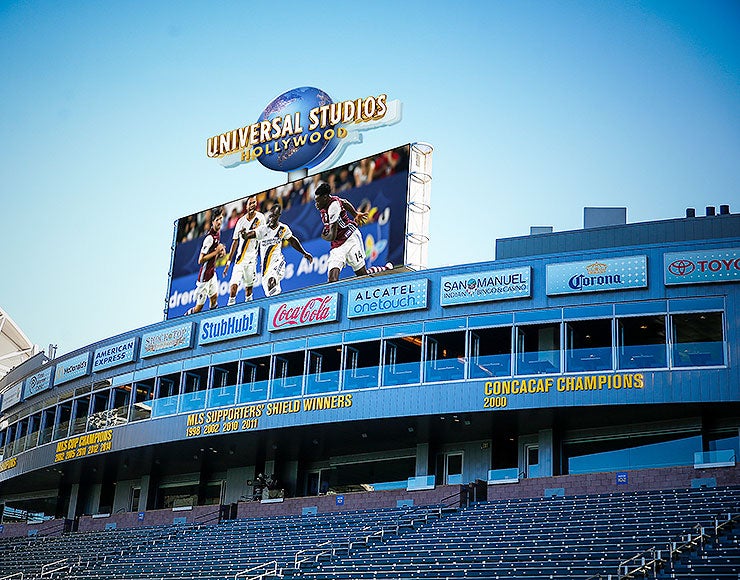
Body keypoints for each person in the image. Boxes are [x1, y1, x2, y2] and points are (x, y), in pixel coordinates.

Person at [314, 182, 392, 282]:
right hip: (338, 245)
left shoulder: (333, 207)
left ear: (325, 198)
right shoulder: (328, 202)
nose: (316, 204)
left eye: (318, 201)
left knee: (362, 276)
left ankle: (385, 269)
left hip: (350, 238)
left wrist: (324, 236)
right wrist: (355, 214)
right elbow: (344, 202)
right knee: (332, 279)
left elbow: (332, 236)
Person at [243, 203, 313, 297]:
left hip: (278, 262)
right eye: (270, 215)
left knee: (271, 282)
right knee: (271, 292)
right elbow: (248, 235)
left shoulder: (283, 229)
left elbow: (292, 240)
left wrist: (304, 253)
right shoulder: (262, 230)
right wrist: (244, 233)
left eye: (274, 216)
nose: (271, 218)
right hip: (265, 269)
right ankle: (279, 303)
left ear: (279, 216)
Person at [223, 195, 264, 305]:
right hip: (240, 259)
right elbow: (235, 242)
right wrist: (228, 262)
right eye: (250, 203)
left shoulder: (261, 218)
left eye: (254, 202)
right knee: (233, 287)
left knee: (249, 290)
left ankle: (249, 308)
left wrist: (263, 260)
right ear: (246, 206)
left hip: (252, 259)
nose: (252, 205)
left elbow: (263, 239)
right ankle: (230, 307)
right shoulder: (240, 222)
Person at [185, 209, 226, 315]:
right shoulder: (209, 238)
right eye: (217, 220)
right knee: (199, 308)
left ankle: (214, 320)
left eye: (220, 219)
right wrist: (216, 252)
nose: (219, 222)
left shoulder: (218, 233)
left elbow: (214, 253)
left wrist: (220, 253)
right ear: (212, 222)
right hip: (204, 276)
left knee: (214, 298)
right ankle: (184, 319)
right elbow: (201, 260)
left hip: (212, 273)